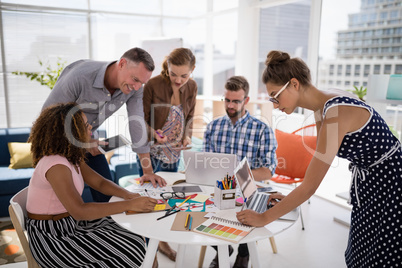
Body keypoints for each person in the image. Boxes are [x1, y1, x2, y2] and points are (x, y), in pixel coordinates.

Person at [237, 50, 402, 268]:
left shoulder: (335, 112)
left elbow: (310, 186)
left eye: (276, 96)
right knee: (362, 249)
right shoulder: (322, 105)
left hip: (391, 182)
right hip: (371, 180)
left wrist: (264, 217)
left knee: (381, 253)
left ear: (294, 84)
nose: (275, 104)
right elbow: (316, 163)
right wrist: (286, 198)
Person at [26, 102, 158, 268]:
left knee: (135, 235)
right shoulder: (56, 166)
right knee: (131, 248)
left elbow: (100, 182)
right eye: (86, 125)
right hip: (53, 236)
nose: (90, 128)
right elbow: (80, 211)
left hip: (70, 223)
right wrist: (129, 204)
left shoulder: (71, 156)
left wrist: (126, 194)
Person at [42, 47, 166, 203]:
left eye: (141, 83)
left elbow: (137, 123)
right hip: (57, 142)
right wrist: (80, 143)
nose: (136, 87)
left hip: (88, 140)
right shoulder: (80, 76)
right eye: (135, 79)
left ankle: (108, 226)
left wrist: (147, 171)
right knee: (63, 201)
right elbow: (47, 119)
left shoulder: (135, 88)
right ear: (121, 64)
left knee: (108, 196)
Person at [203, 76, 277, 268]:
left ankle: (243, 254)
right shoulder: (213, 127)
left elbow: (268, 171)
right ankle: (223, 249)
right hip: (218, 189)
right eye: (227, 100)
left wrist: (239, 177)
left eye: (236, 101)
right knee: (195, 215)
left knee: (248, 213)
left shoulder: (262, 130)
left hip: (249, 191)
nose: (230, 105)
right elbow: (206, 163)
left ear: (246, 100)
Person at [139, 47, 197, 262]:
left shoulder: (192, 86)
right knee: (150, 198)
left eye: (184, 75)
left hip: (174, 151)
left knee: (170, 198)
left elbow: (189, 116)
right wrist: (154, 134)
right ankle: (148, 248)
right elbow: (140, 118)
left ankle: (162, 241)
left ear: (192, 70)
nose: (179, 79)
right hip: (152, 150)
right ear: (167, 68)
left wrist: (187, 137)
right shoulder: (153, 84)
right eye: (174, 74)